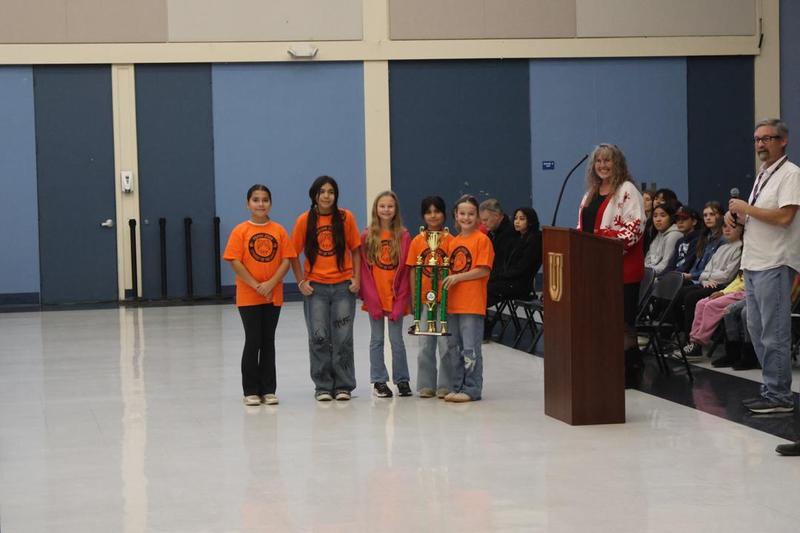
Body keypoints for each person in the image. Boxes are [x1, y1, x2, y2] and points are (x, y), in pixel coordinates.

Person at [726, 120, 800, 429]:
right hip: (754, 261)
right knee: (754, 326)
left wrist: (748, 208)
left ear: (783, 141)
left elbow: (784, 216)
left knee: (774, 332)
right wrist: (742, 217)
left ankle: (780, 395)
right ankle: (770, 388)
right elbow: (763, 216)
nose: (760, 144)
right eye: (757, 139)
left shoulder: (791, 174)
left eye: (767, 138)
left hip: (775, 262)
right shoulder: (763, 175)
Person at [577, 143, 646, 383]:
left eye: (608, 161)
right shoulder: (591, 192)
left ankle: (631, 369)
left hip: (622, 269)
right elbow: (582, 228)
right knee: (602, 320)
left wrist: (601, 239)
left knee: (622, 322)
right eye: (599, 161)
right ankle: (607, 366)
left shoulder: (627, 190)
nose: (603, 166)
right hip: (596, 268)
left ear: (618, 164)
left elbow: (634, 230)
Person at [290, 176, 361, 402]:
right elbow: (292, 254)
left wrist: (356, 278)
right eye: (322, 191)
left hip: (342, 287)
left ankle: (343, 385)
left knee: (343, 337)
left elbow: (356, 250)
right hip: (316, 289)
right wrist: (301, 281)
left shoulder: (345, 217)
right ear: (314, 195)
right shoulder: (304, 220)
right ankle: (322, 386)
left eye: (331, 191)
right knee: (319, 338)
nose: (327, 196)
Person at [224, 184, 296, 406]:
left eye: (265, 200)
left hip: (272, 296)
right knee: (253, 340)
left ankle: (268, 389)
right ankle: (251, 390)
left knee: (268, 341)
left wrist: (271, 283)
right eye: (256, 200)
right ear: (248, 204)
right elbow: (235, 261)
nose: (260, 204)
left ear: (270, 203)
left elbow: (287, 259)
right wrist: (256, 285)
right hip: (249, 295)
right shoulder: (240, 231)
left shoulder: (279, 230)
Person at [359, 191, 413, 398]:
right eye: (382, 206)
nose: (386, 210)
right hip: (375, 297)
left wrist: (402, 301)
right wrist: (370, 299)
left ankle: (402, 380)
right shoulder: (367, 236)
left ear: (396, 210)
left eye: (390, 206)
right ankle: (379, 381)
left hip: (395, 298)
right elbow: (364, 270)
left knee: (397, 340)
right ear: (376, 209)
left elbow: (406, 269)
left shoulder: (404, 236)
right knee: (377, 340)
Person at [442, 195, 494, 402]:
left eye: (471, 214)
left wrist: (458, 277)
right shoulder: (452, 242)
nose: (466, 217)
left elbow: (482, 270)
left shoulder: (482, 240)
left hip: (472, 303)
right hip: (453, 304)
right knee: (453, 347)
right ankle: (457, 385)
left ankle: (472, 388)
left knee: (470, 348)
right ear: (455, 216)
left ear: (478, 217)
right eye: (462, 214)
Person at [407, 196, 455, 399]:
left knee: (446, 345)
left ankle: (446, 384)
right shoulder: (417, 241)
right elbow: (412, 271)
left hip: (446, 301)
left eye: (437, 211)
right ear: (423, 216)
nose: (433, 215)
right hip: (425, 301)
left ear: (444, 214)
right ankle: (426, 385)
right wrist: (414, 299)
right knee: (425, 344)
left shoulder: (451, 241)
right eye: (428, 212)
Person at [676, 216, 743, 349]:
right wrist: (706, 279)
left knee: (691, 297)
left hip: (723, 286)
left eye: (732, 226)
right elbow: (706, 270)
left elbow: (727, 276)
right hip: (709, 283)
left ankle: (692, 342)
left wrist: (708, 278)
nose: (727, 229)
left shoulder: (740, 248)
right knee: (679, 292)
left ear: (741, 229)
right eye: (724, 226)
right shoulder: (722, 247)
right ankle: (683, 335)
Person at [681, 271, 744, 359]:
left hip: (745, 293)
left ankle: (698, 343)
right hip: (731, 291)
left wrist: (724, 293)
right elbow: (738, 280)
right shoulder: (746, 260)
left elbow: (747, 283)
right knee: (701, 303)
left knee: (711, 306)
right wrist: (723, 291)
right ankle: (693, 341)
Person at [480, 199, 516, 339]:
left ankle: (483, 329)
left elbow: (502, 263)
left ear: (496, 215)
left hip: (507, 279)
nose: (483, 224)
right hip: (496, 275)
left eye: (486, 220)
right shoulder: (493, 232)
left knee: (479, 292)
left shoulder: (509, 233)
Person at [644, 204, 682, 276]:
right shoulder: (658, 234)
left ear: (671, 218)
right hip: (650, 273)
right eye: (655, 216)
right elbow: (648, 259)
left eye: (663, 215)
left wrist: (645, 272)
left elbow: (665, 265)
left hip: (662, 276)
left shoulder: (674, 235)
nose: (658, 219)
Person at [664, 205, 701, 276]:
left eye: (684, 218)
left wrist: (669, 277)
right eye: (677, 219)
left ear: (694, 222)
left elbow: (688, 265)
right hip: (674, 276)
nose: (680, 222)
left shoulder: (698, 240)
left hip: (685, 278)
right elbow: (671, 264)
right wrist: (661, 277)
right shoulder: (680, 241)